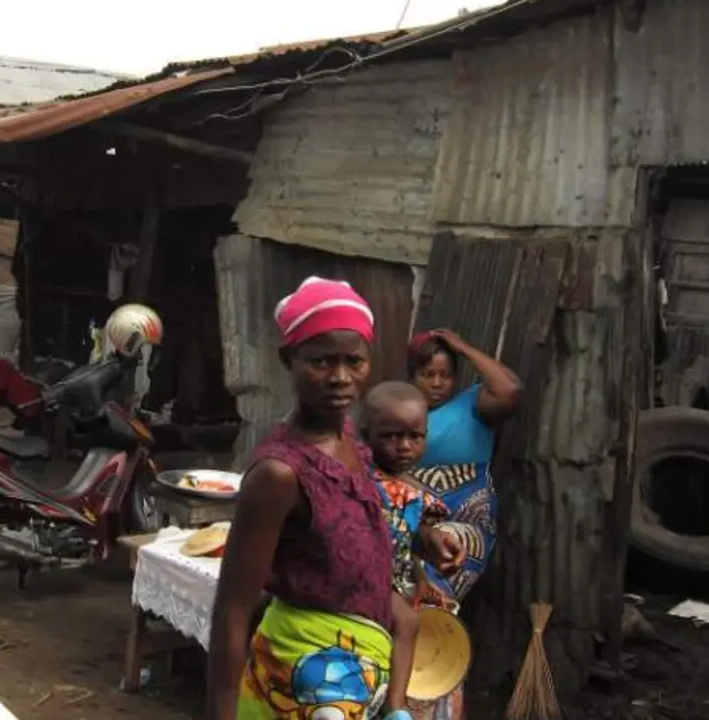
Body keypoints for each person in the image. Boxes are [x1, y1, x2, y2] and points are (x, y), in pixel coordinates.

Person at [206, 276, 441, 720]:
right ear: (287, 359)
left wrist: (424, 534)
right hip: (306, 680)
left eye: (354, 361)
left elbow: (368, 518)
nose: (340, 378)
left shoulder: (352, 437)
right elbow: (232, 610)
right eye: (320, 362)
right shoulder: (280, 473)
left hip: (356, 674)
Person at [404, 328, 522, 720]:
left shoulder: (473, 405)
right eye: (427, 374)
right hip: (407, 525)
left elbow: (510, 391)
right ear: (412, 376)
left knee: (432, 610)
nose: (438, 383)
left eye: (445, 374)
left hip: (465, 525)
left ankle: (432, 709)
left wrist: (464, 346)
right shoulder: (398, 411)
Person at [363, 381, 476, 720]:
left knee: (436, 617)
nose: (405, 446)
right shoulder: (362, 482)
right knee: (408, 623)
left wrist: (430, 559)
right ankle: (396, 708)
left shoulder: (412, 491)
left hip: (397, 580)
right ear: (367, 433)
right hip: (365, 579)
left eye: (415, 436)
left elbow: (409, 535)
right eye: (391, 436)